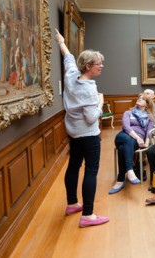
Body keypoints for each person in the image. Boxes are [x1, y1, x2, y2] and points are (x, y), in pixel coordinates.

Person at [55, 29, 109, 228]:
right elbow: (91, 117)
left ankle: (71, 204)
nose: (101, 66)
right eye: (98, 64)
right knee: (91, 170)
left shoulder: (71, 74)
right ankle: (88, 214)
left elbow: (67, 56)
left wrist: (60, 41)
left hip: (73, 132)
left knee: (74, 166)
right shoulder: (88, 88)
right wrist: (100, 103)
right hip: (88, 134)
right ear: (88, 67)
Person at [109, 94, 155, 194]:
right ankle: (130, 170)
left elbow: (149, 131)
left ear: (147, 105)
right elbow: (126, 127)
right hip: (123, 136)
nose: (139, 99)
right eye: (139, 98)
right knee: (127, 140)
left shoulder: (149, 117)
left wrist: (146, 143)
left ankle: (120, 179)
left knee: (122, 149)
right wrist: (138, 138)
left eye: (143, 99)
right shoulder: (128, 113)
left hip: (135, 141)